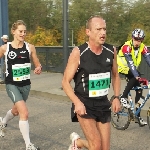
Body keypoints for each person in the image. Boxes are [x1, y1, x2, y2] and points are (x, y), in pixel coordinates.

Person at [62, 16, 121, 150]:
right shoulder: (79, 52)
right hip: (85, 103)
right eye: (98, 29)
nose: (103, 33)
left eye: (104, 29)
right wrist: (77, 102)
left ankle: (79, 143)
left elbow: (116, 75)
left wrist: (116, 97)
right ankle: (80, 143)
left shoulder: (111, 51)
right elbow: (65, 81)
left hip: (103, 103)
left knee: (104, 148)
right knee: (96, 146)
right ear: (88, 32)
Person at [0, 20, 42, 150]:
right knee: (24, 112)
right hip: (11, 84)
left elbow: (37, 64)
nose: (23, 34)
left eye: (24, 31)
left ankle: (2, 123)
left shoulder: (30, 47)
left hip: (25, 85)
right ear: (14, 32)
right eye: (20, 31)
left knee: (16, 111)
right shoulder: (5, 48)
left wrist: (38, 68)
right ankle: (28, 145)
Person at [117, 28, 150, 126]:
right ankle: (123, 97)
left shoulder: (142, 47)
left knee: (140, 90)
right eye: (136, 39)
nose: (137, 42)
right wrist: (136, 75)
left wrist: (136, 74)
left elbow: (148, 59)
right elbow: (130, 62)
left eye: (140, 40)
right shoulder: (126, 47)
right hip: (123, 67)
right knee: (135, 76)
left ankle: (137, 116)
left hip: (132, 69)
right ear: (132, 38)